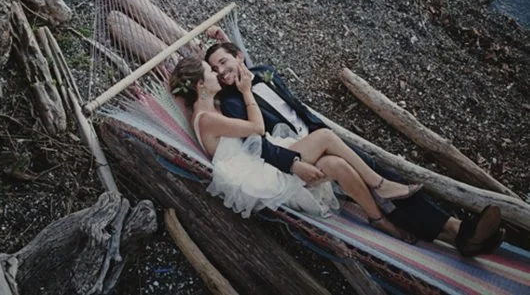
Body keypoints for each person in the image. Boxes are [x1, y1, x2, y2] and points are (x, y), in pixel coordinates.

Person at [204, 38, 505, 256]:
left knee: (363, 167)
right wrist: (293, 164)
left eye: (224, 62)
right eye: (215, 69)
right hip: (291, 154)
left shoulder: (264, 71)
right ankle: (441, 221)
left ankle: (456, 232)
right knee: (371, 173)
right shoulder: (232, 102)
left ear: (239, 56)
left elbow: (250, 70)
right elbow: (257, 145)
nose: (221, 71)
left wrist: (226, 47)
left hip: (315, 140)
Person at [170, 57, 421, 242]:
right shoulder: (206, 119)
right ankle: (380, 184)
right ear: (200, 85)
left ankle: (378, 220)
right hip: (259, 176)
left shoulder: (207, 106)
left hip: (261, 162)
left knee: (336, 165)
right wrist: (246, 92)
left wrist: (223, 48)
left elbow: (218, 71)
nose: (216, 74)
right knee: (325, 136)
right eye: (210, 72)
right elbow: (257, 128)